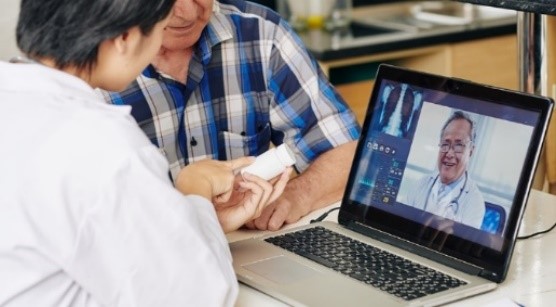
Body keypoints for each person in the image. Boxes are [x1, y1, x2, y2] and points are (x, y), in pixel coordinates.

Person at [0, 0, 290, 305]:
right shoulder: (105, 146)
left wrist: (195, 218)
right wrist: (195, 190)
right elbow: (199, 296)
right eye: (160, 27)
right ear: (125, 37)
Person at [99, 0, 361, 231]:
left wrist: (293, 198)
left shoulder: (262, 33)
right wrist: (201, 219)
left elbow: (349, 152)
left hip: (243, 253)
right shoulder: (88, 69)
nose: (187, 11)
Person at [406, 110, 485, 229]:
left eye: (459, 145)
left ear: (471, 151)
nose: (449, 153)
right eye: (445, 144)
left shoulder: (474, 203)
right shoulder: (421, 184)